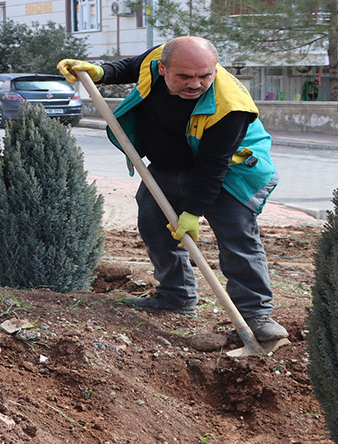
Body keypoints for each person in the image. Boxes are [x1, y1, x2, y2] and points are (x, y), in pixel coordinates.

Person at [57, 37, 288, 341]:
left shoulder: (231, 106)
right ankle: (176, 296)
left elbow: (213, 167)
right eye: (185, 76)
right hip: (169, 165)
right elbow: (133, 66)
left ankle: (256, 315)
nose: (196, 84)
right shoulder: (155, 58)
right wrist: (101, 72)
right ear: (163, 68)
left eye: (205, 75)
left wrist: (193, 213)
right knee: (154, 223)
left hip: (229, 171)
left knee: (236, 237)